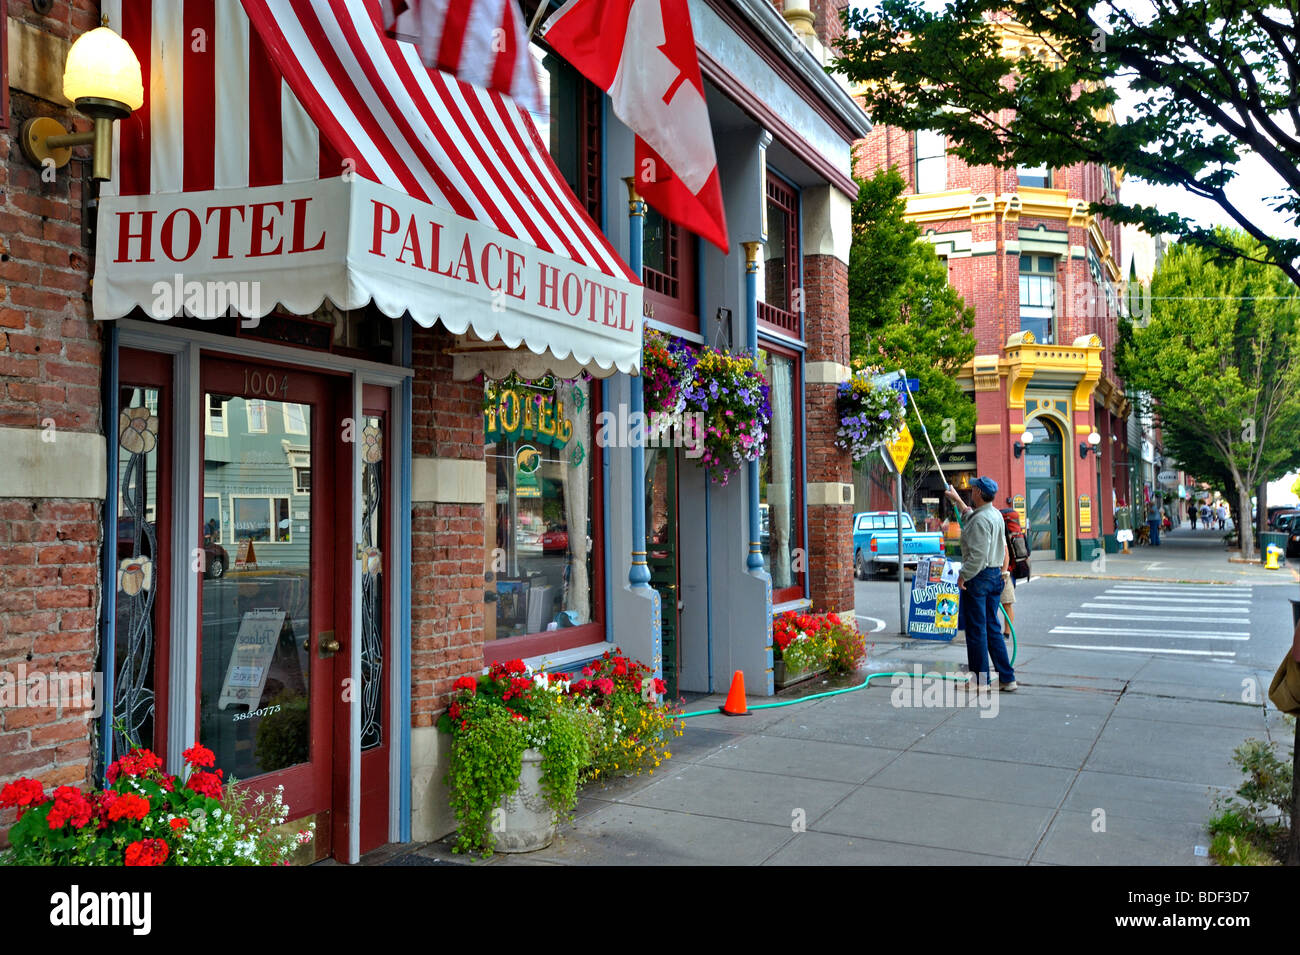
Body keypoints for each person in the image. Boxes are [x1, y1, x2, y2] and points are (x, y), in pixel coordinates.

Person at [945, 476, 1017, 692]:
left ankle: (979, 681)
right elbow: (972, 517)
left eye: (972, 488)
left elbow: (977, 555)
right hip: (995, 576)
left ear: (977, 492)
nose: (971, 490)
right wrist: (958, 500)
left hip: (979, 578)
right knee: (992, 628)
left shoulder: (980, 520)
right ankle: (1007, 678)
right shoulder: (994, 514)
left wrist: (963, 575)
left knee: (976, 631)